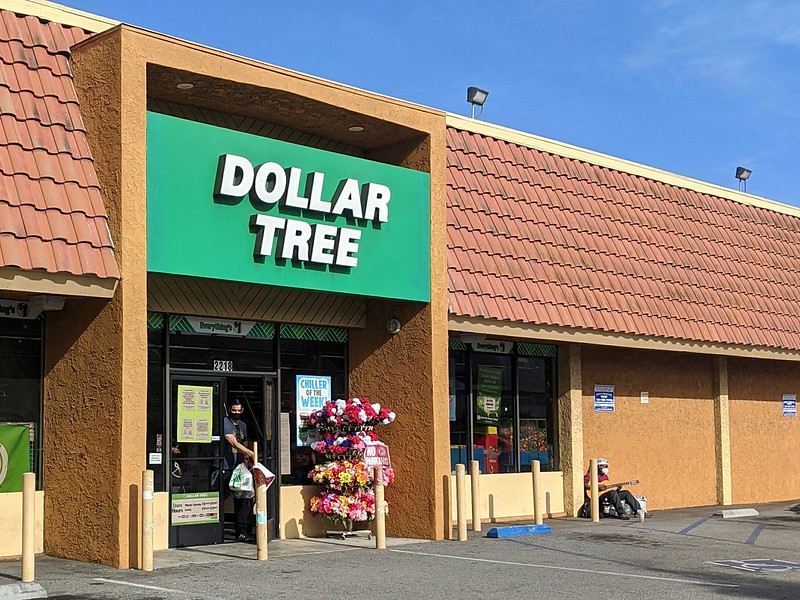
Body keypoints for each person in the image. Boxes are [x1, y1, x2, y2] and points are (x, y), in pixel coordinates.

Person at [222, 398, 255, 541]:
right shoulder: (225, 422)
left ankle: (241, 531)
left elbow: (244, 442)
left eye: (238, 410)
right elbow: (233, 442)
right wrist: (250, 453)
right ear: (229, 409)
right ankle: (215, 530)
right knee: (221, 498)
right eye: (233, 410)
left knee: (242, 499)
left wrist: (246, 459)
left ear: (242, 410)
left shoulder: (243, 425)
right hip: (224, 467)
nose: (236, 412)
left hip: (238, 468)